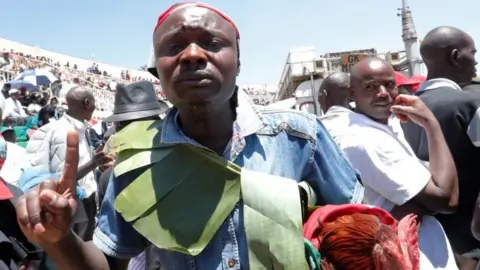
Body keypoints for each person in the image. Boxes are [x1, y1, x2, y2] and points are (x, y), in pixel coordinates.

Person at [15, 3, 363, 270]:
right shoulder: (135, 163)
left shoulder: (300, 138)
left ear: (238, 62)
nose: (193, 54)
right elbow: (109, 264)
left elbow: (363, 236)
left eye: (212, 43)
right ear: (158, 73)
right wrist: (60, 240)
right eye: (173, 47)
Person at [322, 57, 458, 269]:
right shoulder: (365, 139)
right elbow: (446, 199)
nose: (383, 93)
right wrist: (431, 124)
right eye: (371, 87)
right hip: (411, 257)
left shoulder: (382, 126)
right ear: (351, 94)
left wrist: (418, 202)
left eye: (390, 84)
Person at [401, 26, 480, 268]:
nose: (475, 61)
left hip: (431, 246)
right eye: (472, 53)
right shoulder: (472, 104)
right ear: (456, 56)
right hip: (472, 243)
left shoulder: (399, 113)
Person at [22, 86, 111, 243]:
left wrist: (96, 163)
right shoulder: (63, 132)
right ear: (86, 103)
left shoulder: (81, 129)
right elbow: (63, 177)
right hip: (72, 205)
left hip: (86, 200)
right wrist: (92, 164)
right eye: (94, 103)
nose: (95, 107)